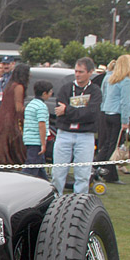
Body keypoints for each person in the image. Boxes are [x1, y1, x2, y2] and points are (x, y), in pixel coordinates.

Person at [52, 57, 102, 195]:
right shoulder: (66, 89)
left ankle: (79, 202)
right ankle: (56, 200)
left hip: (85, 135)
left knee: (83, 173)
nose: (78, 74)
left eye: (81, 71)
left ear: (90, 72)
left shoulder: (95, 91)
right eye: (76, 71)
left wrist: (68, 110)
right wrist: (78, 112)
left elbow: (91, 114)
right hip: (65, 133)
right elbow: (58, 110)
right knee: (58, 172)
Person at [95, 54, 130, 182]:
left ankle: (96, 167)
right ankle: (109, 173)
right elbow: (125, 102)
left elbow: (104, 95)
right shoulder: (126, 81)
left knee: (107, 144)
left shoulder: (109, 78)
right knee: (115, 145)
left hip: (107, 112)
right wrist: (125, 120)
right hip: (117, 114)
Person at [0, 63, 29, 167]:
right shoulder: (19, 87)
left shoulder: (10, 85)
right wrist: (30, 110)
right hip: (10, 120)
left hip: (1, 118)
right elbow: (18, 107)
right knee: (11, 148)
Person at [22, 80, 53, 179]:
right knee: (31, 167)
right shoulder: (41, 107)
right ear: (44, 93)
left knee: (39, 166)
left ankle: (46, 184)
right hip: (36, 141)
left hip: (28, 138)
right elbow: (42, 125)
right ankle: (22, 182)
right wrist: (43, 143)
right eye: (50, 91)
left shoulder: (30, 104)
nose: (51, 93)